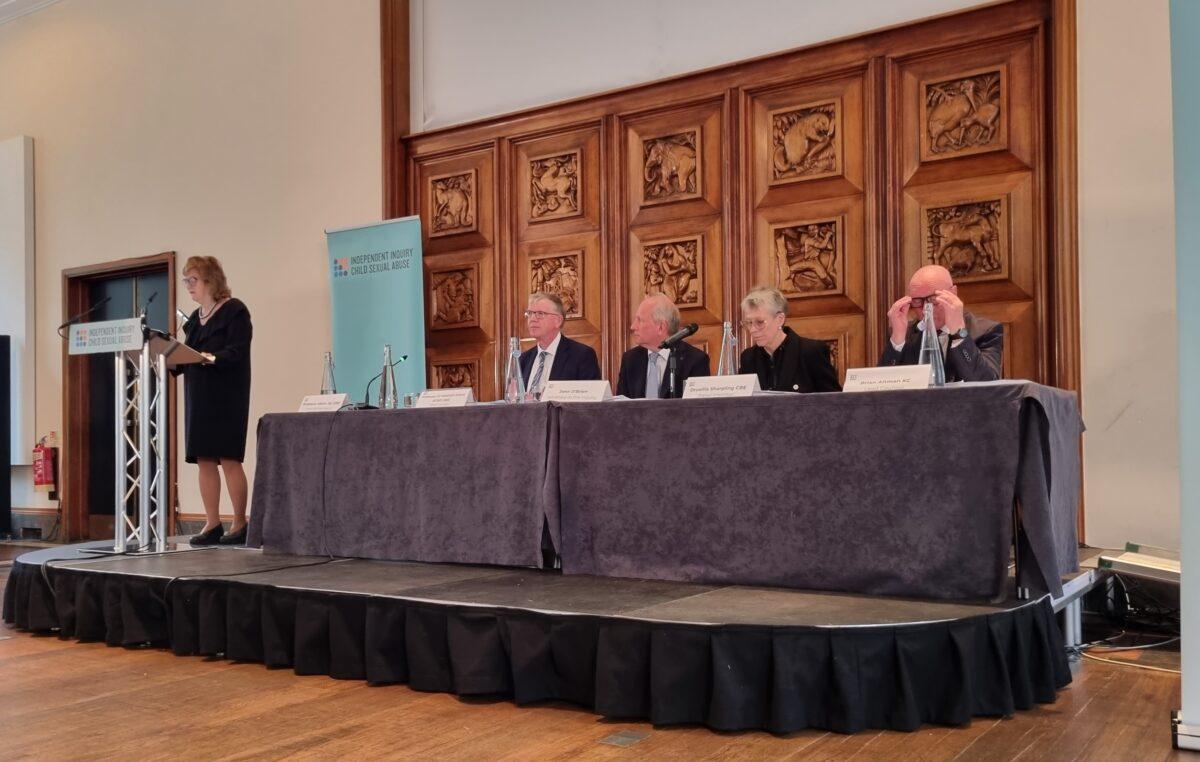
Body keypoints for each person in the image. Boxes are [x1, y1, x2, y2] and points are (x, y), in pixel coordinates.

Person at [178, 256, 253, 545]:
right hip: (199, 395)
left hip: (226, 394)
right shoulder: (195, 320)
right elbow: (187, 355)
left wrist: (210, 358)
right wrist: (168, 358)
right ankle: (212, 523)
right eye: (185, 281)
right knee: (204, 459)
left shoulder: (235, 310)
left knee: (228, 457)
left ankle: (239, 522)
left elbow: (237, 350)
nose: (188, 286)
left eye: (192, 280)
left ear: (210, 280)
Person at [879, 264, 1003, 382]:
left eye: (933, 299)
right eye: (917, 301)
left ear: (953, 293)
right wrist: (897, 343)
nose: (926, 309)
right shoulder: (903, 333)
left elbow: (987, 384)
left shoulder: (986, 331)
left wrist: (959, 334)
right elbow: (881, 390)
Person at [737, 286, 840, 393]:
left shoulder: (811, 351)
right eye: (748, 323)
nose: (752, 330)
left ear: (780, 319)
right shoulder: (748, 358)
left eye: (760, 322)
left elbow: (834, 402)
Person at [616, 294, 709, 398]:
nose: (633, 326)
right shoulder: (630, 359)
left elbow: (699, 409)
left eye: (640, 320)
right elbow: (620, 408)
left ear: (661, 327)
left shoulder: (695, 361)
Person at [518, 291, 601, 398]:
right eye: (529, 313)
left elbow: (590, 403)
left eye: (540, 314)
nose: (532, 319)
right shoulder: (522, 360)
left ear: (558, 320)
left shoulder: (582, 356)